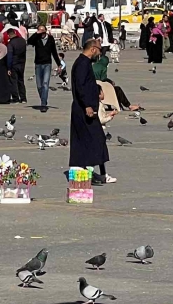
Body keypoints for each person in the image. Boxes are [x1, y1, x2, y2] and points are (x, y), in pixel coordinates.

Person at [69, 38, 113, 184]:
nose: (99, 53)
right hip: (83, 109)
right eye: (99, 50)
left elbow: (88, 84)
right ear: (93, 49)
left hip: (86, 108)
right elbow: (81, 86)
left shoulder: (85, 63)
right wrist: (87, 105)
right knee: (93, 140)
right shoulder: (82, 63)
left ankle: (89, 172)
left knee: (90, 140)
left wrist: (97, 91)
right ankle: (88, 172)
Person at [28, 24, 62, 112]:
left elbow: (54, 52)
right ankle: (44, 99)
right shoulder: (36, 38)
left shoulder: (50, 39)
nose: (41, 32)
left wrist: (59, 64)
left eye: (43, 30)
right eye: (40, 30)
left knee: (45, 83)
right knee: (39, 85)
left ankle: (43, 104)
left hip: (47, 64)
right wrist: (36, 33)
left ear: (46, 30)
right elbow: (29, 41)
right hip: (38, 64)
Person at [7, 28, 28, 103]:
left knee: (13, 81)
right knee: (21, 80)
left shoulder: (11, 43)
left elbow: (9, 56)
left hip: (14, 64)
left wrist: (8, 68)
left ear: (9, 35)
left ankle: (15, 98)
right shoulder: (22, 41)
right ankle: (23, 98)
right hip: (22, 63)